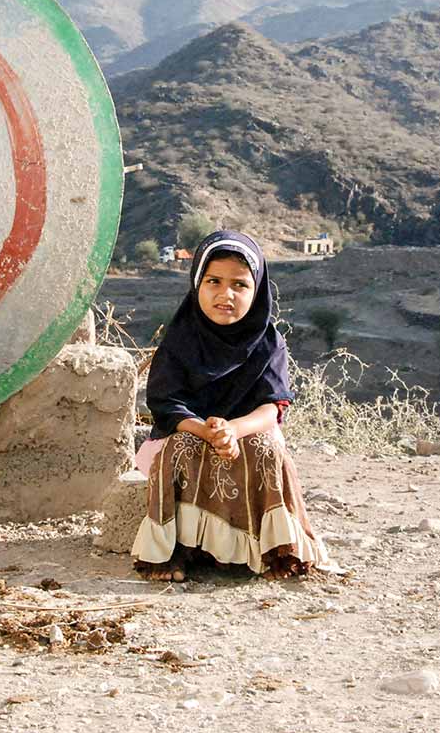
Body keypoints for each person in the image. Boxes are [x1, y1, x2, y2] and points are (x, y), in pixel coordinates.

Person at [131, 230, 331, 581]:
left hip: (246, 434)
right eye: (214, 281)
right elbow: (165, 403)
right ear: (197, 284)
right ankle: (175, 555)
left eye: (240, 285)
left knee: (266, 448)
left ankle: (272, 553)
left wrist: (234, 430)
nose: (226, 295)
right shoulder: (180, 340)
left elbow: (273, 406)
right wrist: (206, 430)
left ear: (257, 291)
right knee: (182, 448)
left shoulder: (269, 343)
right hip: (188, 433)